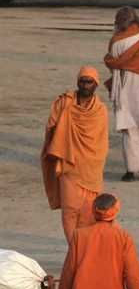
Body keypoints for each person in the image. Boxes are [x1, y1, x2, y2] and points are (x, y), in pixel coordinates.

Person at [42, 66, 109, 243]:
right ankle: (74, 249)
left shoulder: (100, 110)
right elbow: (51, 126)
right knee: (70, 210)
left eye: (89, 82)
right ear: (77, 82)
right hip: (69, 165)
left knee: (89, 214)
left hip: (91, 169)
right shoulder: (64, 103)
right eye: (82, 81)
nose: (85, 85)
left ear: (96, 85)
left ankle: (84, 250)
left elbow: (101, 142)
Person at [103, 7, 139, 182]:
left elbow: (112, 61)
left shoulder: (116, 42)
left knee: (130, 128)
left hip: (126, 86)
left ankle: (131, 170)